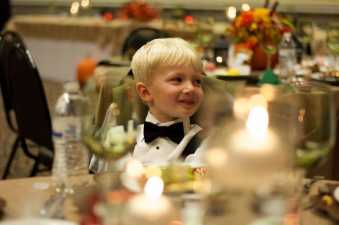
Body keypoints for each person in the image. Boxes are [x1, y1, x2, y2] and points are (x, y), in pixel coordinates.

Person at [130, 37, 205, 166]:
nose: (191, 88)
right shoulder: (124, 140)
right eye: (177, 79)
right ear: (145, 92)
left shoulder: (204, 144)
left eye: (197, 81)